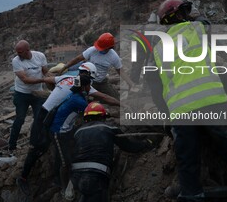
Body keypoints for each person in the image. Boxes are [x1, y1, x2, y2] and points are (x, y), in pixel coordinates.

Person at [146, 0, 227, 202]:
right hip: (210, 101)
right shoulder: (196, 29)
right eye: (184, 11)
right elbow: (205, 22)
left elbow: (156, 89)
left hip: (180, 112)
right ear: (179, 14)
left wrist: (167, 117)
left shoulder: (157, 50)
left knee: (187, 162)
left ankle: (192, 195)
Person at [17, 63, 120, 195]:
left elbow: (47, 79)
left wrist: (53, 89)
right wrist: (120, 105)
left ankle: (58, 177)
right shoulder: (84, 87)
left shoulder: (66, 78)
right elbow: (103, 99)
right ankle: (24, 178)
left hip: (51, 115)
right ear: (88, 77)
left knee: (61, 145)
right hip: (46, 117)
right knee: (37, 148)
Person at [70, 102, 154, 202]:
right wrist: (146, 143)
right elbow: (129, 146)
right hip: (96, 175)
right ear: (102, 117)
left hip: (75, 175)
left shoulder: (78, 132)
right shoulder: (109, 128)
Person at [59, 32, 135, 99]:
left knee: (116, 99)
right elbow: (78, 59)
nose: (99, 50)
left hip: (102, 81)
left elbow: (121, 71)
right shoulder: (92, 50)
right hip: (88, 81)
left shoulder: (114, 57)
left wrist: (130, 83)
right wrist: (65, 67)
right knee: (81, 98)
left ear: (109, 48)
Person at [9, 40, 50, 152]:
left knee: (38, 118)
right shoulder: (16, 61)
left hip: (38, 93)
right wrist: (43, 79)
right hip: (21, 94)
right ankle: (11, 145)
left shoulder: (40, 56)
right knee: (20, 119)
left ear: (28, 50)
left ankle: (33, 144)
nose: (18, 54)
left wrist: (52, 79)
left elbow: (45, 71)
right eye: (17, 52)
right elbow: (25, 80)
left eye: (20, 52)